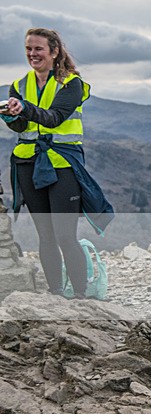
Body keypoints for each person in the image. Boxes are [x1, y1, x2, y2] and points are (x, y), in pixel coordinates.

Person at [1, 28, 112, 299]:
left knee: (65, 236)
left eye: (38, 48)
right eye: (28, 48)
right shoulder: (20, 85)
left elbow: (54, 118)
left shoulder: (71, 83)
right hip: (28, 164)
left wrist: (24, 108)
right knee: (46, 236)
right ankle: (56, 293)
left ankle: (81, 295)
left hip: (61, 164)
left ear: (54, 52)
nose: (32, 54)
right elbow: (22, 127)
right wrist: (9, 116)